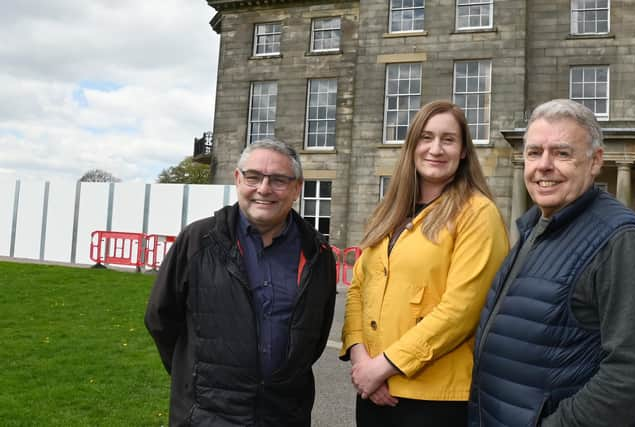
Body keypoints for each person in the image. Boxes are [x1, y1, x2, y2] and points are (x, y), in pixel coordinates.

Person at [469, 99, 635, 427]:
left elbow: (629, 373)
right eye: (534, 153)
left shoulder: (620, 239)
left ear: (595, 162)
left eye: (562, 153)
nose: (543, 166)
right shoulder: (537, 224)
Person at [340, 100, 509, 426]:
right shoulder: (388, 212)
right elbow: (359, 288)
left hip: (435, 398)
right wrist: (363, 363)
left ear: (463, 151)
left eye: (448, 139)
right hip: (374, 389)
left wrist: (384, 366)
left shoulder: (477, 213)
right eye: (426, 137)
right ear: (412, 146)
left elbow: (461, 311)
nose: (436, 148)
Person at [145, 139, 336, 426]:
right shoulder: (197, 241)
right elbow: (160, 318)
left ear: (297, 188)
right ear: (238, 179)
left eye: (278, 180)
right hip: (208, 416)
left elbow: (315, 336)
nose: (264, 189)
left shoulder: (317, 253)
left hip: (285, 414)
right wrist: (194, 378)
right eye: (254, 177)